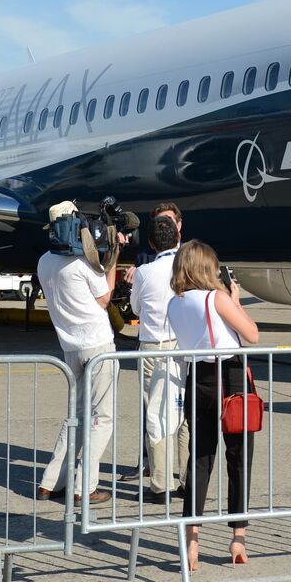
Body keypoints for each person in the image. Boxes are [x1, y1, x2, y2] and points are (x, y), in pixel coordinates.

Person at [168, 239, 260, 569]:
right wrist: (235, 301)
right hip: (231, 376)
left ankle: (191, 540)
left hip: (199, 377)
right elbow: (252, 334)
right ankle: (238, 536)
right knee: (238, 458)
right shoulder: (216, 298)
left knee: (200, 459)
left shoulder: (175, 303)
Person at [36, 201, 123, 504]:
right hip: (97, 344)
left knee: (76, 415)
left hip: (69, 347)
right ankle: (83, 486)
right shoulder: (82, 263)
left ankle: (50, 481)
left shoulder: (44, 262)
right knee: (103, 417)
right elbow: (104, 298)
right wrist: (112, 257)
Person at [119, 214, 189, 499]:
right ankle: (187, 479)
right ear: (179, 238)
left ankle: (160, 483)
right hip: (182, 345)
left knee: (155, 415)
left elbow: (135, 310)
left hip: (152, 346)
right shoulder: (186, 267)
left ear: (150, 242)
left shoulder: (145, 271)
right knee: (184, 414)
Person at [125, 201, 182, 282]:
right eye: (159, 223)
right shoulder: (143, 258)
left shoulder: (192, 254)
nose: (164, 226)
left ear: (179, 225)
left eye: (168, 221)